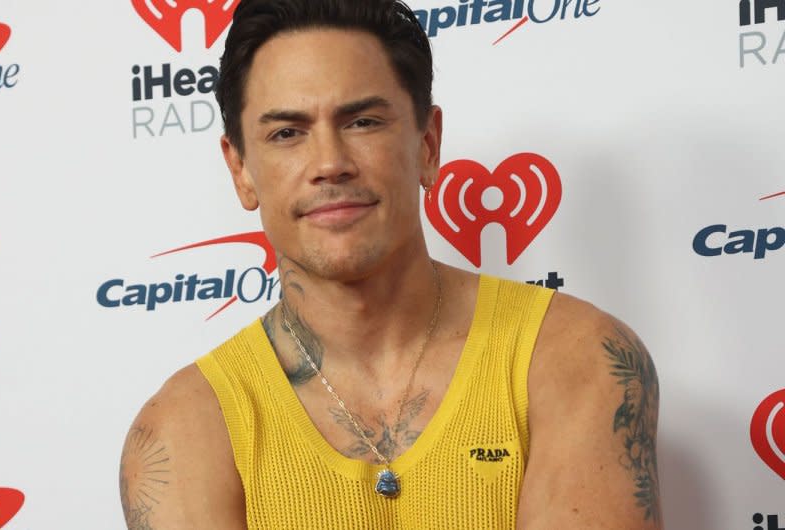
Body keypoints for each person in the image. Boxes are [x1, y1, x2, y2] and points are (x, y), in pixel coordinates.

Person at [119, 0, 662, 528]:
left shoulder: (577, 356)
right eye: (287, 133)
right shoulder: (182, 430)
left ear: (427, 145)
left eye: (362, 122)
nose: (329, 163)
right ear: (240, 169)